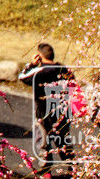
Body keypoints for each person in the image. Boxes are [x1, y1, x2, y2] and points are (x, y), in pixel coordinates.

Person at [20, 43, 75, 174]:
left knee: (43, 143)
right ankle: (73, 170)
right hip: (63, 113)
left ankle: (46, 173)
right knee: (63, 141)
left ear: (39, 56)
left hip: (44, 113)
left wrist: (32, 64)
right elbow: (73, 87)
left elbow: (22, 77)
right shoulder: (64, 69)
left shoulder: (39, 72)